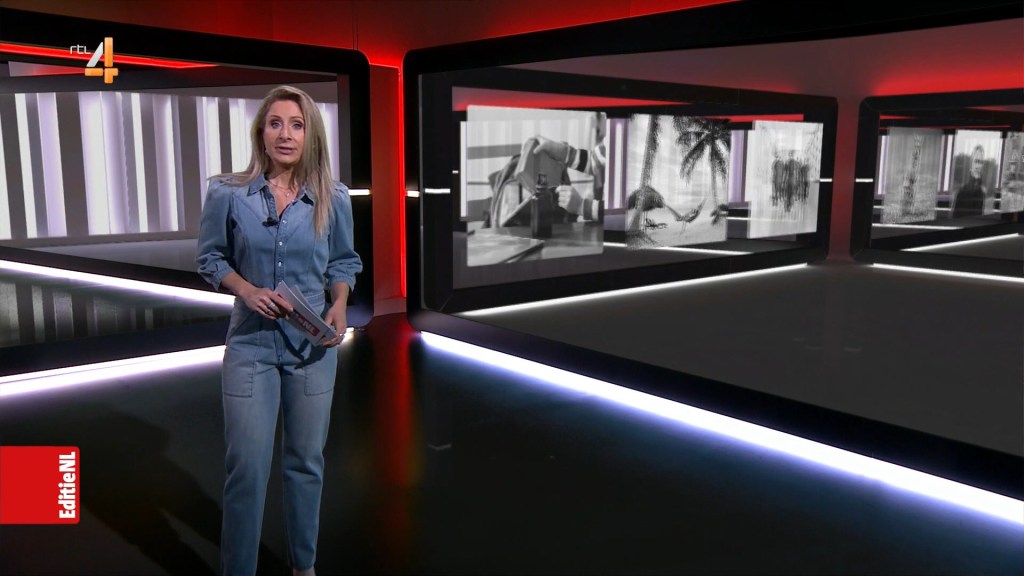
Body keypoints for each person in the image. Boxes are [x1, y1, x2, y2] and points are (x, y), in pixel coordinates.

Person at [196, 85, 362, 576]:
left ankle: (303, 567)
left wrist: (339, 303)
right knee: (246, 469)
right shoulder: (228, 193)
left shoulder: (333, 197)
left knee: (306, 463)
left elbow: (343, 262)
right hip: (251, 346)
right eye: (275, 123)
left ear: (310, 135)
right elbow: (210, 258)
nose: (285, 134)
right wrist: (246, 290)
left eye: (296, 124)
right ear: (261, 133)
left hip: (312, 348)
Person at [951, 144, 987, 218]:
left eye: (981, 162)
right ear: (971, 164)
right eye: (976, 161)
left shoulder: (983, 193)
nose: (978, 166)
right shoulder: (961, 192)